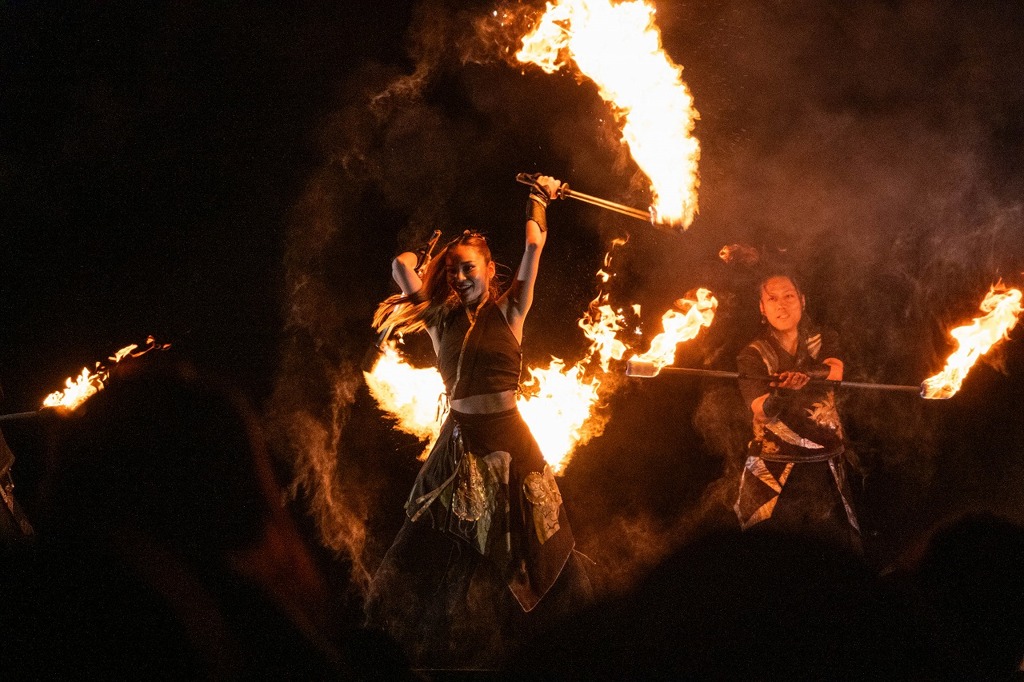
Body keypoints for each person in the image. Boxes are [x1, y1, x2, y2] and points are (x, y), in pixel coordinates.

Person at [366, 175, 591, 668]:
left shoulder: (512, 309)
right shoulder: (437, 316)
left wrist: (539, 195)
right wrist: (428, 260)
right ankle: (405, 645)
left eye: (470, 268)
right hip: (460, 443)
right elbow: (400, 264)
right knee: (434, 543)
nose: (461, 277)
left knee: (542, 541)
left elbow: (535, 243)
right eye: (454, 271)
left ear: (491, 270)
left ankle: (570, 647)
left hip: (511, 438)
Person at [734, 272, 860, 552]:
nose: (782, 305)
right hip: (773, 468)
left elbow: (835, 372)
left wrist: (804, 373)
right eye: (772, 299)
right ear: (761, 308)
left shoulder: (822, 338)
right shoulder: (752, 354)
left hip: (826, 465)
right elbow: (761, 411)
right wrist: (781, 393)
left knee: (836, 554)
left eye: (789, 296)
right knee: (771, 555)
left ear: (802, 301)